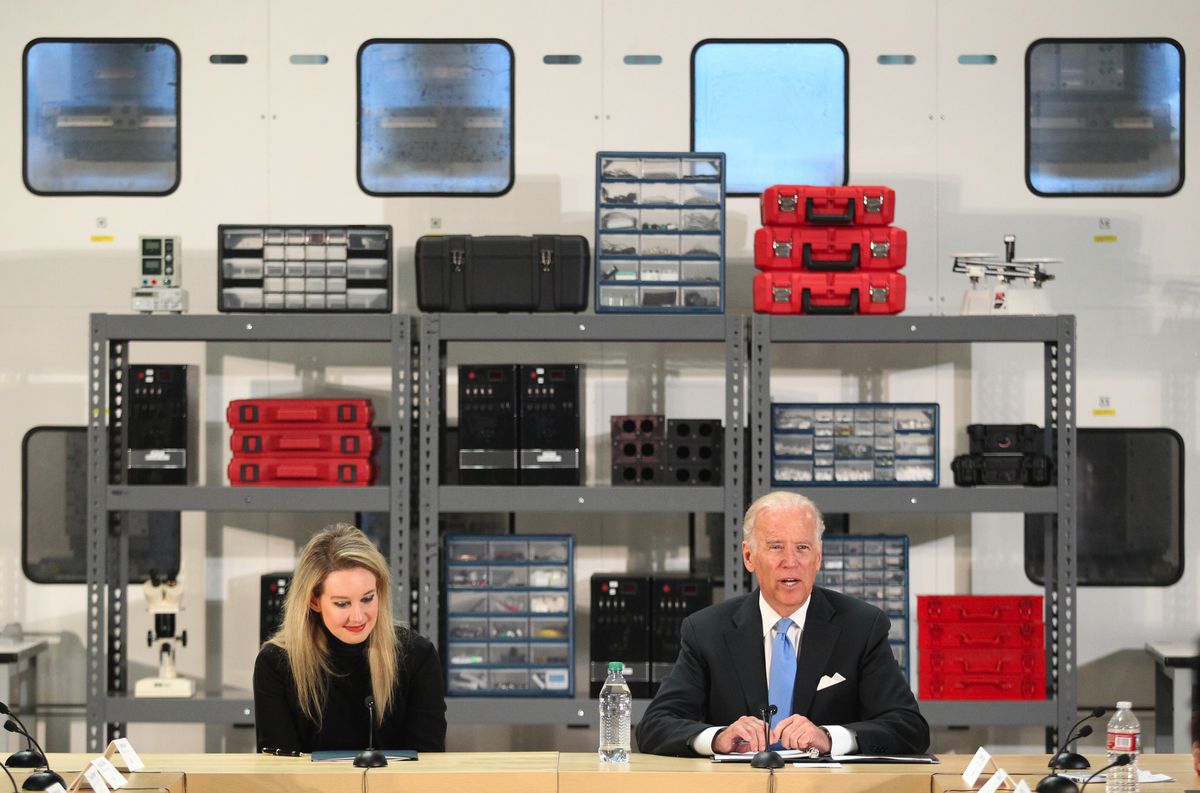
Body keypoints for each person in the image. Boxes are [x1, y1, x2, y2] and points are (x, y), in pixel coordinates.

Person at [637, 491, 929, 757]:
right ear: (749, 556)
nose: (791, 561)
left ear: (818, 557)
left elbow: (909, 727)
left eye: (802, 547)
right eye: (776, 547)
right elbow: (654, 726)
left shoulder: (862, 627)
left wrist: (830, 738)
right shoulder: (706, 631)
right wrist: (717, 738)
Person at [254, 523, 446, 752]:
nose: (358, 617)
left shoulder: (418, 656)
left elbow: (427, 765)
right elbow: (280, 774)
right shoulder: (275, 663)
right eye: (342, 603)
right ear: (314, 601)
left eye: (367, 599)